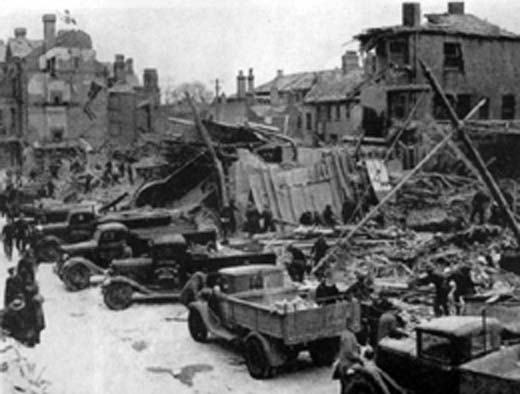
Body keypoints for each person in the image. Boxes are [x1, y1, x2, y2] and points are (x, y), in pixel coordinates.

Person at [333, 328, 362, 392]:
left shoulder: (347, 334)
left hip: (344, 365)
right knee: (349, 387)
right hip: (347, 366)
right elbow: (349, 352)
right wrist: (359, 358)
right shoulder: (348, 336)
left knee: (344, 387)